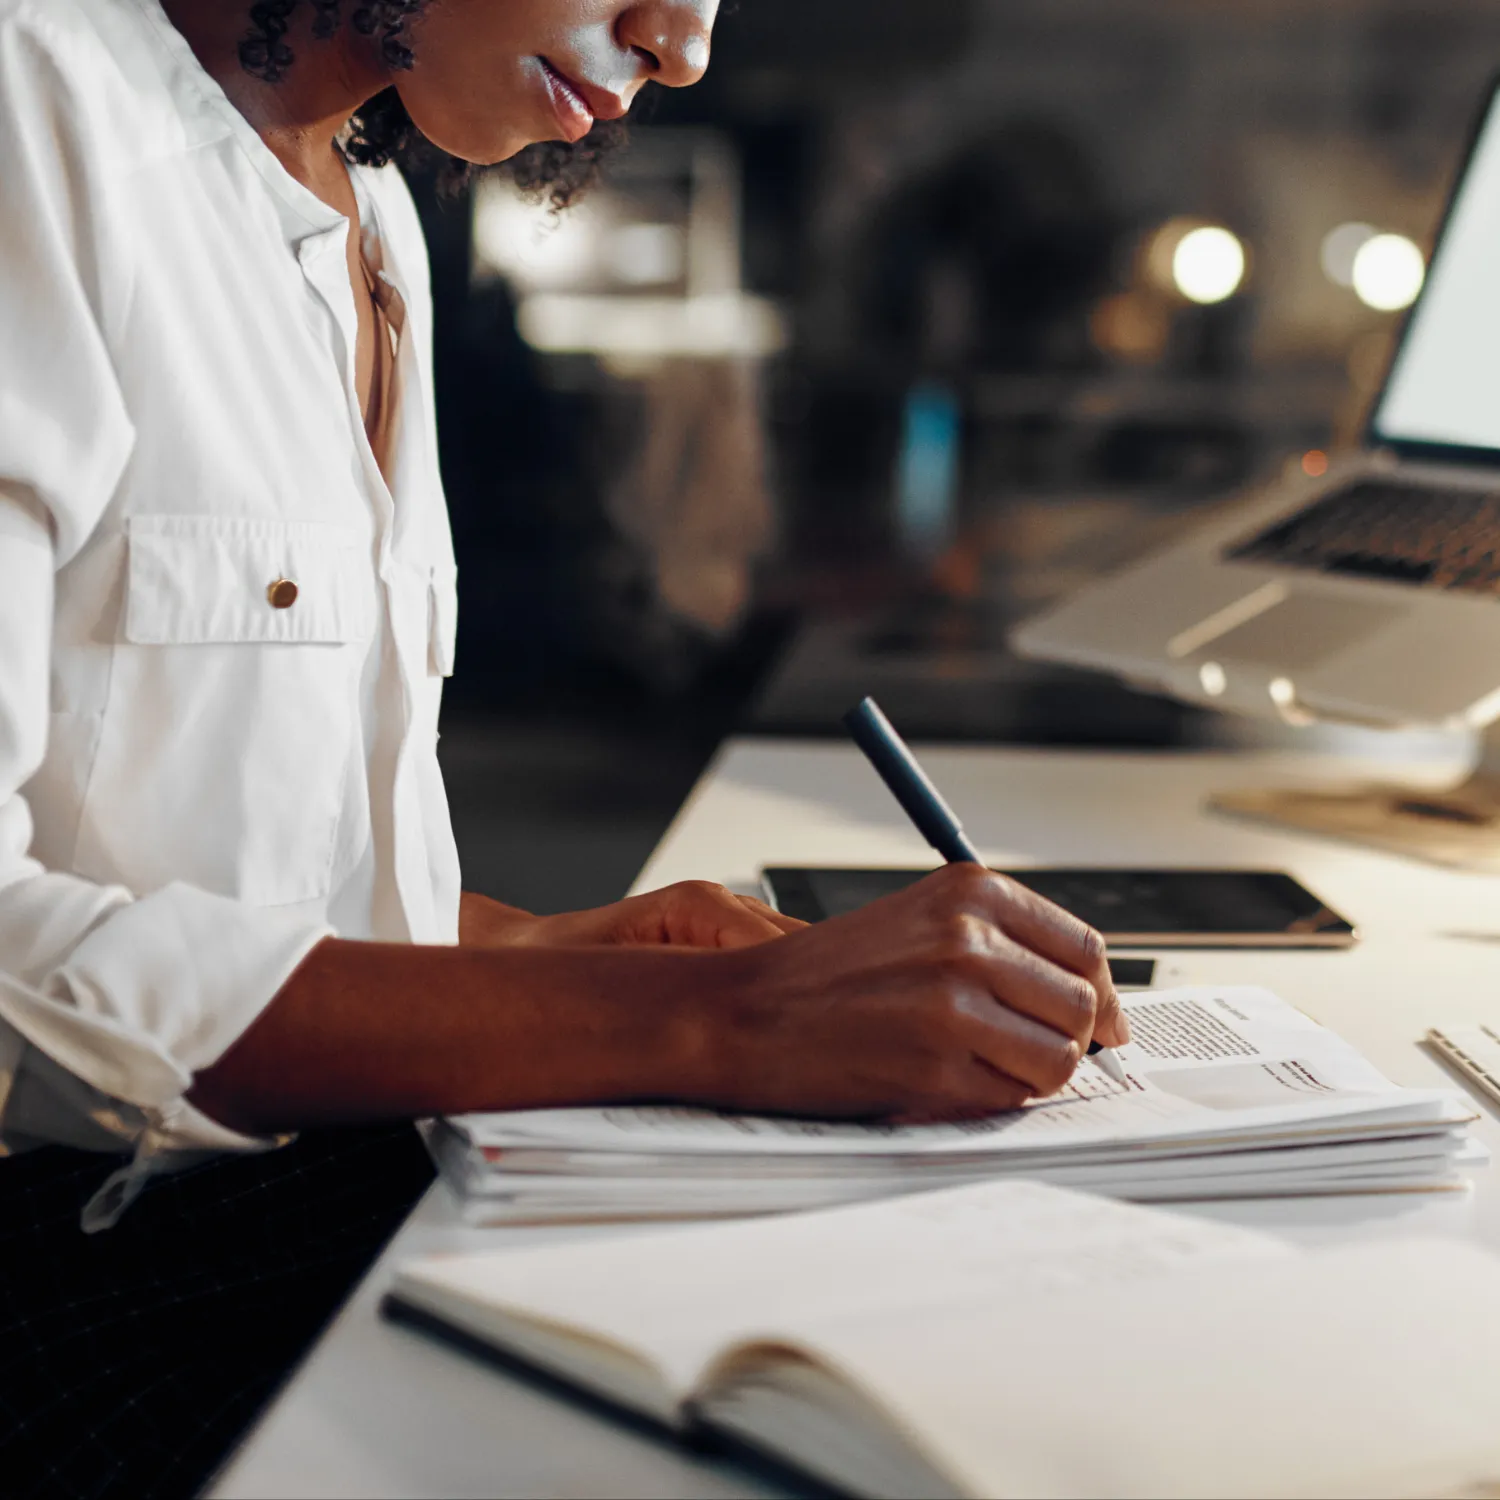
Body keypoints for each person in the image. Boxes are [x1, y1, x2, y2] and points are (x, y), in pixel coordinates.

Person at [0, 0, 1130, 1493]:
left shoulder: (371, 218)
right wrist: (723, 1023)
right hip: (70, 1289)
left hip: (298, 1196)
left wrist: (532, 956)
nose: (683, 45)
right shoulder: (36, 112)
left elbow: (220, 877)